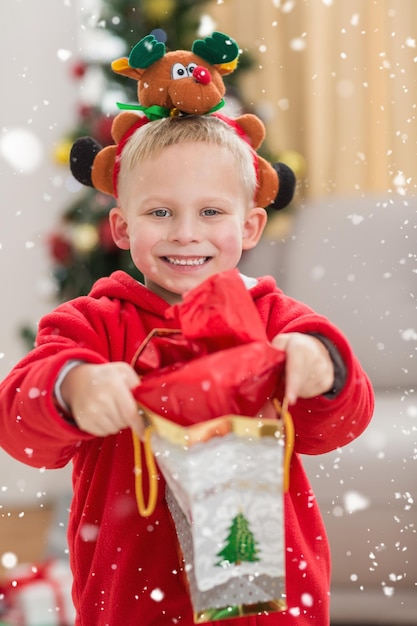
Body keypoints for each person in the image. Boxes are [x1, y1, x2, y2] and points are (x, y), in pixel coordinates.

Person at [0, 114, 374, 625]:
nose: (185, 233)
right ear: (122, 227)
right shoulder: (92, 325)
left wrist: (322, 367)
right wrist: (72, 385)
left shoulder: (276, 319)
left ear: (249, 226)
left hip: (270, 605)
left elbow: (344, 421)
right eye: (160, 212)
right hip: (131, 599)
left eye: (211, 211)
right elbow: (19, 426)